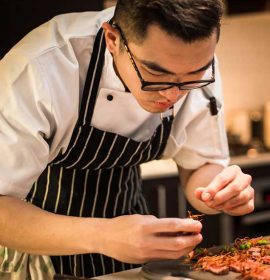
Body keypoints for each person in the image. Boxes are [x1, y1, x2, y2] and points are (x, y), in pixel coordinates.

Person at [0, 0, 255, 278]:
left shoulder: (192, 61)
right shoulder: (41, 68)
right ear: (113, 39)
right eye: (156, 75)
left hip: (132, 252)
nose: (172, 94)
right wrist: (103, 235)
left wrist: (219, 192)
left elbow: (199, 165)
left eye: (193, 77)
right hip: (39, 253)